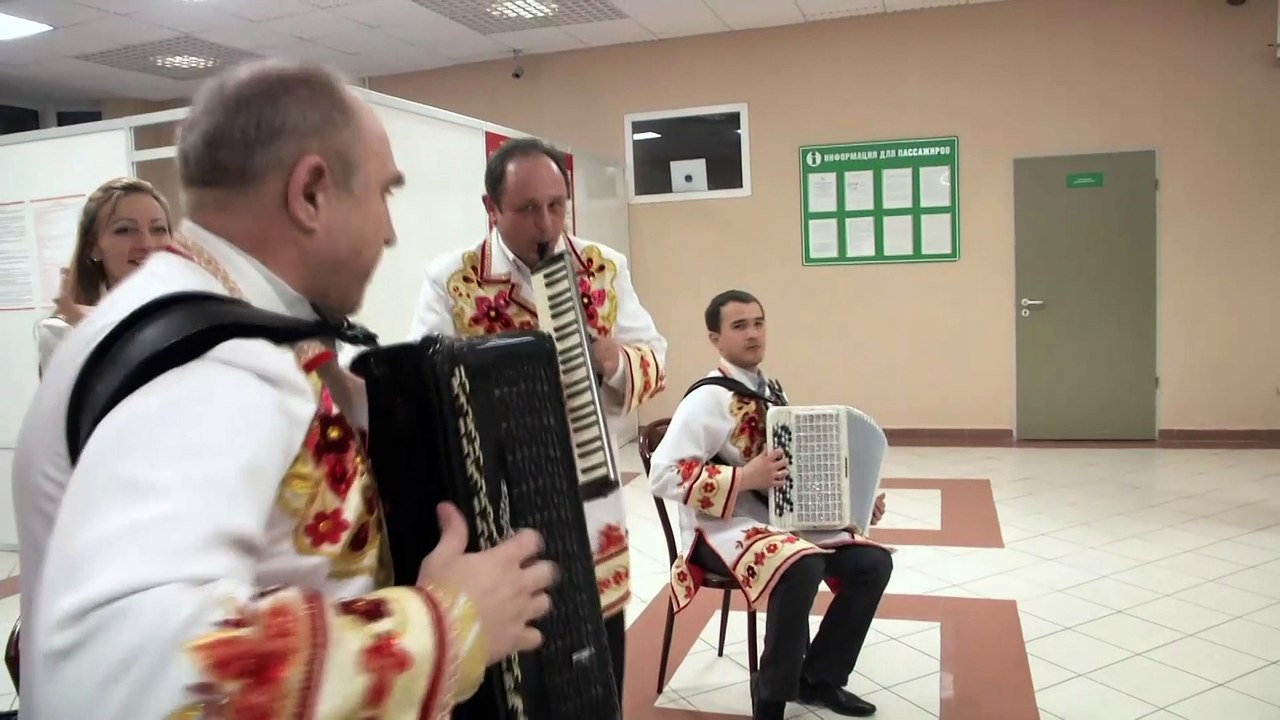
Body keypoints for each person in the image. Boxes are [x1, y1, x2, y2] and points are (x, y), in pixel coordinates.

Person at [11, 59, 557, 719]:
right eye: (383, 194)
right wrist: (445, 629)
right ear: (310, 194)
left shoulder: (192, 320)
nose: (388, 231)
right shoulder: (216, 368)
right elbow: (119, 671)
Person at [408, 136, 668, 699]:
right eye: (527, 209)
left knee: (599, 623)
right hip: (501, 491)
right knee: (524, 642)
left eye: (556, 206)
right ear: (491, 208)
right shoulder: (451, 279)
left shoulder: (602, 266)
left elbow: (656, 358)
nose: (546, 223)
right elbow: (426, 381)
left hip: (592, 482)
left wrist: (614, 360)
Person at [647, 290, 893, 720]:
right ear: (714, 338)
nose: (753, 334)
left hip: (772, 523)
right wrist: (744, 478)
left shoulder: (771, 391)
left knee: (871, 565)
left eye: (758, 323)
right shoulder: (706, 399)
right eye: (739, 326)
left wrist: (855, 505)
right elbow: (663, 474)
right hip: (715, 532)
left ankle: (817, 679)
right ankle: (771, 700)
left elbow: (791, 471)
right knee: (802, 565)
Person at [35, 177, 173, 376]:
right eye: (124, 230)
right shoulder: (63, 331)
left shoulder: (193, 313)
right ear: (94, 247)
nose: (147, 244)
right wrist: (96, 330)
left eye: (158, 229)